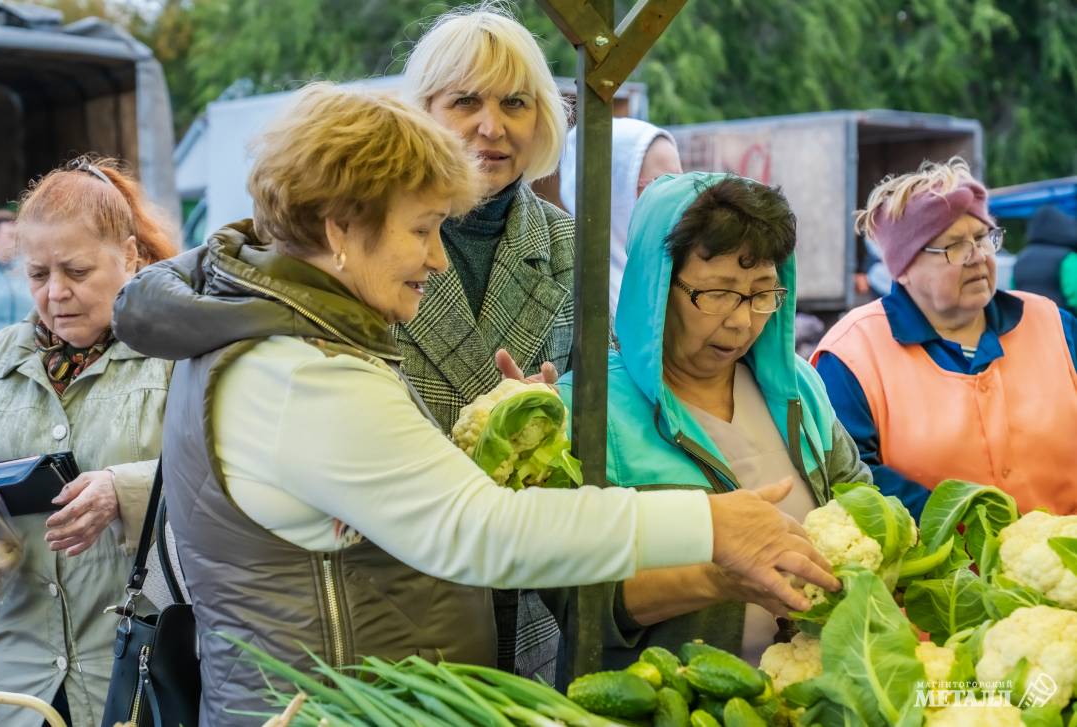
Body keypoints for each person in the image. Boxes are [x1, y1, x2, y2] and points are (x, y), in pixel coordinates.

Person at [111, 85, 838, 726]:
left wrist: (491, 442)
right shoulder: (304, 374)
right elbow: (478, 530)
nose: (434, 258)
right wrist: (709, 522)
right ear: (339, 226)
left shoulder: (273, 336)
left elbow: (387, 500)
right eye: (422, 229)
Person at [554, 172, 868, 667]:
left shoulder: (798, 390)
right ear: (656, 288)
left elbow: (861, 503)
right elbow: (575, 599)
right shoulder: (589, 410)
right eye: (717, 293)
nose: (741, 321)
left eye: (762, 293)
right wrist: (716, 578)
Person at [399, 5, 575, 677]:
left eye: (516, 102)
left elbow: (599, 410)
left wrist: (548, 422)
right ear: (422, 111)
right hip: (403, 577)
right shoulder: (371, 236)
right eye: (465, 101)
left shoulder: (567, 245)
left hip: (525, 588)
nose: (492, 126)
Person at [0, 158, 177, 727]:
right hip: (18, 677)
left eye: (76, 270)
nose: (57, 293)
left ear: (131, 256)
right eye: (39, 274)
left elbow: (229, 476)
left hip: (134, 667)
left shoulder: (176, 353)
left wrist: (127, 489)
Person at [813, 158, 1077, 519]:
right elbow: (847, 475)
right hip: (936, 570)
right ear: (903, 269)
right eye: (954, 246)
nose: (978, 257)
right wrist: (959, 527)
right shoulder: (851, 355)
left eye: (984, 238)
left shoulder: (1052, 325)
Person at [557, 117, 683, 318]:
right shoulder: (572, 289)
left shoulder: (674, 268)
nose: (678, 198)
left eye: (681, 182)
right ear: (615, 189)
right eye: (662, 184)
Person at [1013, 204, 1077, 315]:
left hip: (1026, 323)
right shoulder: (1067, 257)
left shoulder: (1021, 258)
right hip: (1061, 325)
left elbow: (1013, 293)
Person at [0, 208, 36, 338]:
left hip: (21, 352)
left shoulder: (29, 268)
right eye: (10, 236)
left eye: (18, 237)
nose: (16, 243)